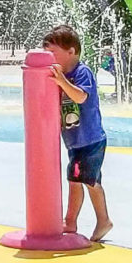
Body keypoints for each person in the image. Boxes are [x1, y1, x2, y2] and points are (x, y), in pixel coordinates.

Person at [43, 25, 111, 243]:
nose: (48, 57)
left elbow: (81, 97)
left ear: (71, 52)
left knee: (88, 181)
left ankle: (102, 220)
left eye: (53, 52)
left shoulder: (82, 72)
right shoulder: (62, 74)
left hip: (91, 139)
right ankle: (70, 222)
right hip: (75, 141)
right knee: (75, 179)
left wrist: (62, 82)